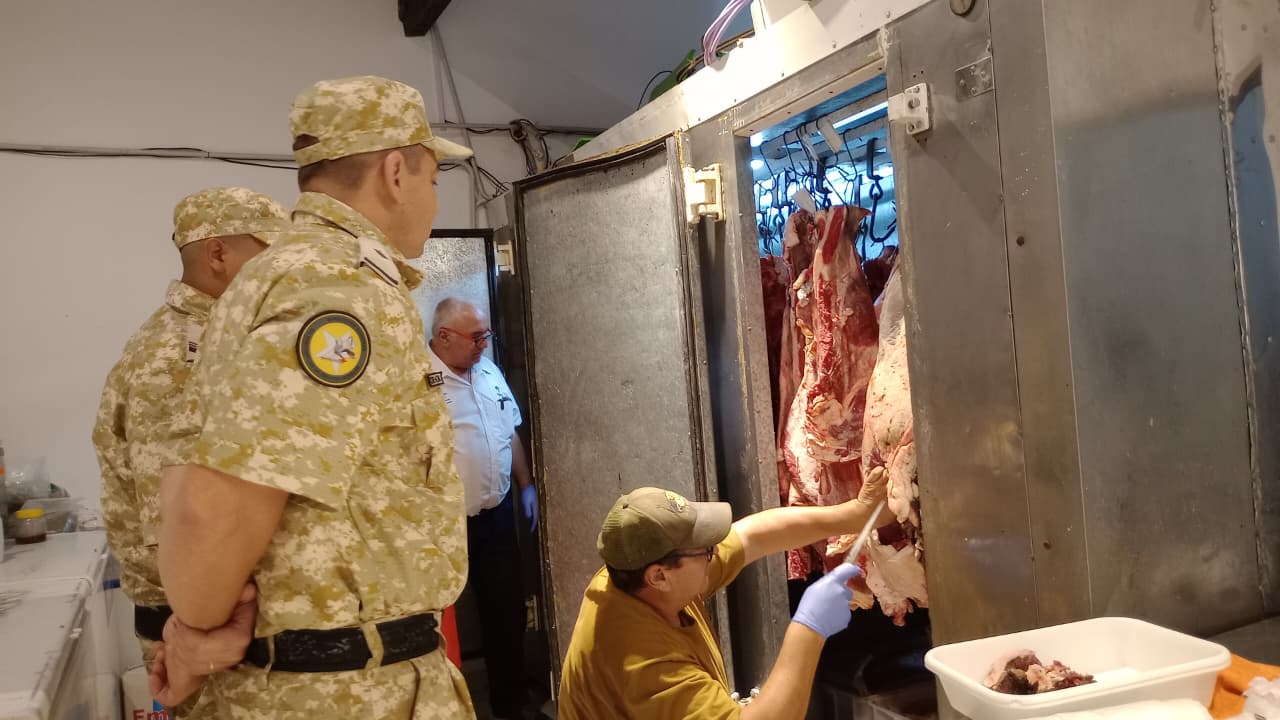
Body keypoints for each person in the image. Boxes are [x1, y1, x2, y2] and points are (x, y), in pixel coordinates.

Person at [149, 76, 477, 719]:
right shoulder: (339, 289)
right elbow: (217, 504)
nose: (435, 201)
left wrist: (194, 631)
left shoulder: (274, 276)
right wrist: (195, 636)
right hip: (346, 691)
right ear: (395, 173)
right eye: (435, 179)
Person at [92, 187, 289, 717]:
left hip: (213, 623)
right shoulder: (181, 354)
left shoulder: (218, 336)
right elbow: (178, 514)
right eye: (267, 252)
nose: (279, 270)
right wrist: (214, 626)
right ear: (217, 253)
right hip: (201, 633)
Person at [557, 468, 888, 720]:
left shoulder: (636, 576)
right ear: (659, 576)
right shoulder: (645, 666)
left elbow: (753, 536)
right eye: (705, 550)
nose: (715, 551)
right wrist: (809, 629)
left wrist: (856, 514)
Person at [428, 297, 536, 719]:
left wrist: (526, 486)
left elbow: (509, 431)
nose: (484, 344)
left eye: (486, 335)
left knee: (506, 611)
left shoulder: (488, 371)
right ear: (443, 337)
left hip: (496, 517)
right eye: (476, 337)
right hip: (442, 525)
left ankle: (510, 705)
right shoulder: (415, 379)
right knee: (439, 622)